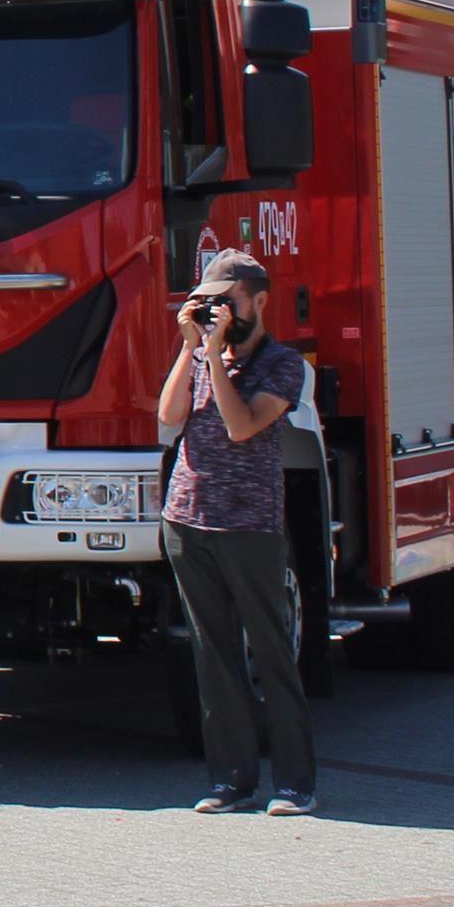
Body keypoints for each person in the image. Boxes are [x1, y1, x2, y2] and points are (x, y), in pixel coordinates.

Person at [158, 250, 316, 814]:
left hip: (249, 525)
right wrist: (189, 348)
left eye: (228, 302)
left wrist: (217, 362)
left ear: (260, 301)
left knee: (271, 652)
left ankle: (296, 784)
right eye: (208, 302)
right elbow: (170, 416)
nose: (218, 312)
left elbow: (241, 425)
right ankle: (231, 782)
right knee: (212, 655)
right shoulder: (200, 355)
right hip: (187, 521)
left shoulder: (282, 364)